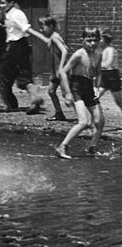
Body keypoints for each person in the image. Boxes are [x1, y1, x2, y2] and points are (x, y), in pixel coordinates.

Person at [55, 27, 105, 159]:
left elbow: (98, 72)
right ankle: (62, 146)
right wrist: (67, 93)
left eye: (95, 40)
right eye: (89, 40)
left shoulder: (98, 54)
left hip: (89, 87)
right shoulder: (79, 54)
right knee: (84, 122)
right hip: (76, 87)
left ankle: (92, 147)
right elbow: (62, 72)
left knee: (100, 120)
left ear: (99, 40)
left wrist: (97, 88)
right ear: (82, 40)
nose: (92, 43)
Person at [0, 0, 46, 115]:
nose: (1, 5)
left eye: (3, 3)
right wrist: (2, 26)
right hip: (20, 46)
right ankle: (35, 99)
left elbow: (26, 29)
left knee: (3, 75)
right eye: (0, 3)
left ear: (12, 3)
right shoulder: (10, 14)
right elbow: (15, 28)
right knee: (23, 76)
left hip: (15, 46)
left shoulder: (16, 14)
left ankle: (9, 105)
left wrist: (44, 39)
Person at [35, 16, 69, 122]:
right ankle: (59, 113)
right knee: (51, 91)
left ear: (50, 26)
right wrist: (31, 31)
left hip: (61, 71)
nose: (41, 30)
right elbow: (47, 41)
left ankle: (85, 116)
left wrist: (61, 68)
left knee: (68, 95)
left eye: (43, 27)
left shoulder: (54, 37)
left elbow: (65, 51)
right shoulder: (54, 37)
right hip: (56, 72)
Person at [99, 30, 122, 114]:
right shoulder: (102, 50)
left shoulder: (111, 50)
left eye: (101, 39)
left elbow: (108, 63)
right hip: (104, 75)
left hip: (112, 75)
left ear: (105, 40)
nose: (99, 41)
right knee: (95, 96)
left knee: (119, 100)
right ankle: (89, 117)